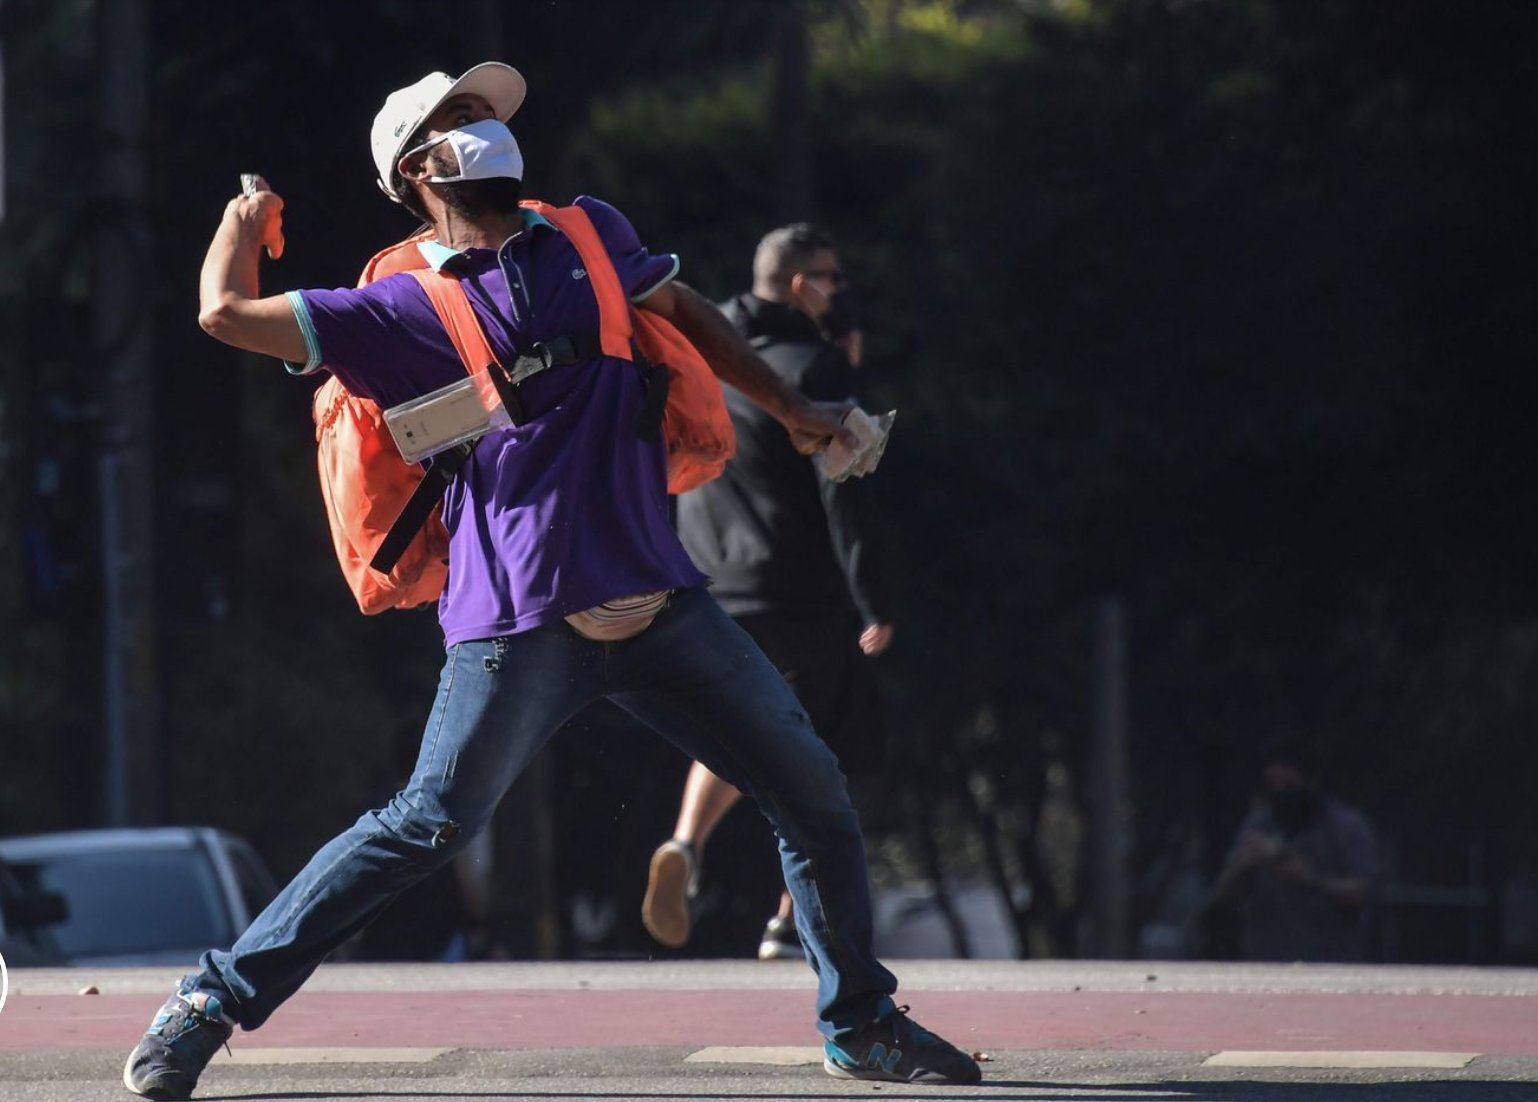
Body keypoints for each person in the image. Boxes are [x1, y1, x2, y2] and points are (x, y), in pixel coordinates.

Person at [121, 63, 980, 1099]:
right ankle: (208, 1000)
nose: (488, 125)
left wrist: (790, 412)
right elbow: (222, 313)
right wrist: (243, 217)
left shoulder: (588, 233)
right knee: (426, 825)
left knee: (812, 791)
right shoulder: (393, 307)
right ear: (417, 167)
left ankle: (860, 1022)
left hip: (659, 599)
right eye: (461, 117)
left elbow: (695, 314)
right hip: (518, 621)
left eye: (488, 112)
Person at [641, 224, 895, 963]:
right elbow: (844, 487)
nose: (840, 291)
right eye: (830, 277)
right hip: (797, 589)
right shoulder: (808, 366)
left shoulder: (705, 354)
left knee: (736, 728)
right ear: (799, 284)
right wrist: (874, 598)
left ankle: (689, 844)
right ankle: (791, 919)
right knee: (819, 752)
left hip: (700, 576)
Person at [1210, 738, 1379, 962]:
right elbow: (1222, 896)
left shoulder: (1345, 826)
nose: (1281, 794)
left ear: (1310, 779)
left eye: (1289, 784)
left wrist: (1306, 876)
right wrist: (1242, 867)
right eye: (1273, 785)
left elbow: (1363, 891)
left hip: (1331, 959)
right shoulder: (1260, 824)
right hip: (1264, 958)